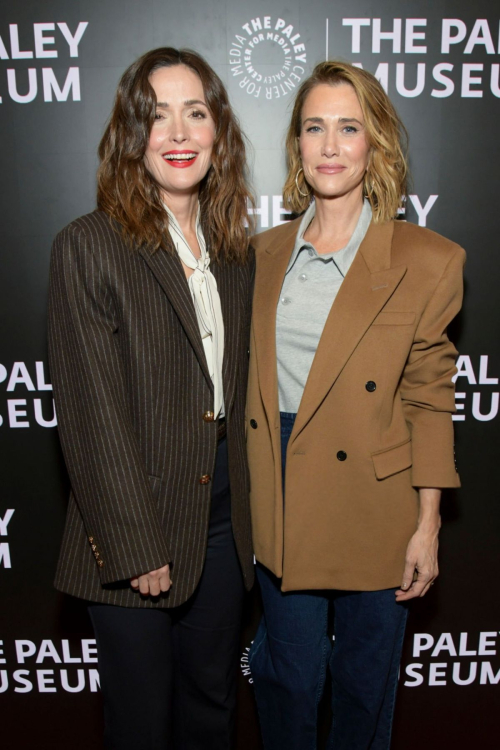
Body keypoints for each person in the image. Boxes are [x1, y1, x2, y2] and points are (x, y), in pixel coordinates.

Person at [247, 61, 464, 749]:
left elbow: (430, 398)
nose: (331, 146)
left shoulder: (428, 260)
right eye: (315, 128)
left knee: (366, 686)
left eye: (349, 128)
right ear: (297, 145)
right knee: (290, 680)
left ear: (376, 144)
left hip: (376, 497)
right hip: (279, 484)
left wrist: (428, 524)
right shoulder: (257, 256)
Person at [48, 47, 254, 750]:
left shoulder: (235, 250)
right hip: (132, 514)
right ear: (132, 137)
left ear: (218, 131)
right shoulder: (89, 245)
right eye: (157, 116)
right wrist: (137, 544)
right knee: (141, 725)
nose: (178, 133)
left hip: (225, 515)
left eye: (195, 113)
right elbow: (90, 412)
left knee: (213, 707)